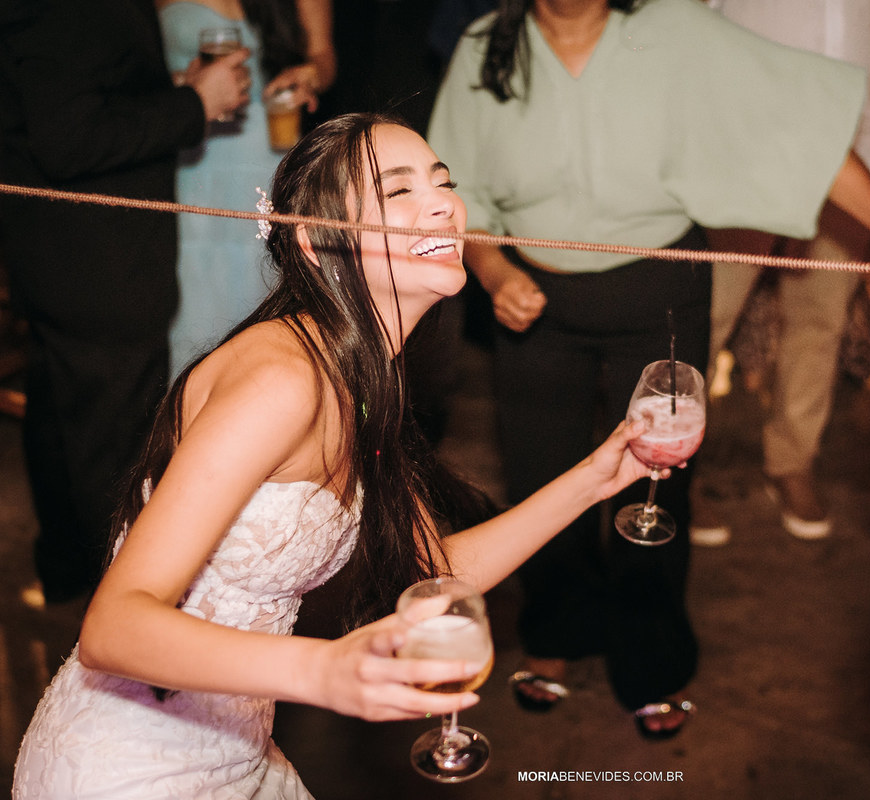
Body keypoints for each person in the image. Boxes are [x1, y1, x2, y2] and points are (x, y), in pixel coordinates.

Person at [11, 112, 656, 798]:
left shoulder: (361, 377)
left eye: (443, 182)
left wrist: (597, 477)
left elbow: (438, 571)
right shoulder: (282, 382)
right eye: (399, 191)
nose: (443, 203)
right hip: (131, 770)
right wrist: (324, 671)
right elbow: (114, 627)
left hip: (236, 753)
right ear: (320, 242)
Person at [426, 0, 870, 737]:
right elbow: (454, 187)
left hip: (657, 290)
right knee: (542, 475)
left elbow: (797, 123)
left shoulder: (675, 29)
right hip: (530, 299)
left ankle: (652, 660)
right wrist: (490, 269)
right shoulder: (489, 46)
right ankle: (555, 634)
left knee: (655, 483)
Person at [0, 0, 250, 604]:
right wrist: (193, 105)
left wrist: (173, 89)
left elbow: (70, 95)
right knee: (112, 444)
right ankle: (125, 615)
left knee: (65, 414)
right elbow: (67, 140)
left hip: (65, 254)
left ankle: (68, 576)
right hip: (94, 261)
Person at [693, 0, 870, 546]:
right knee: (709, 313)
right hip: (747, 148)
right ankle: (674, 470)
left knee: (821, 319)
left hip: (858, 151)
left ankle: (791, 461)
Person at [160, 0, 337, 376]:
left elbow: (323, 56)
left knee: (267, 297)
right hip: (194, 160)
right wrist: (184, 86)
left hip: (271, 152)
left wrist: (309, 76)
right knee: (195, 307)